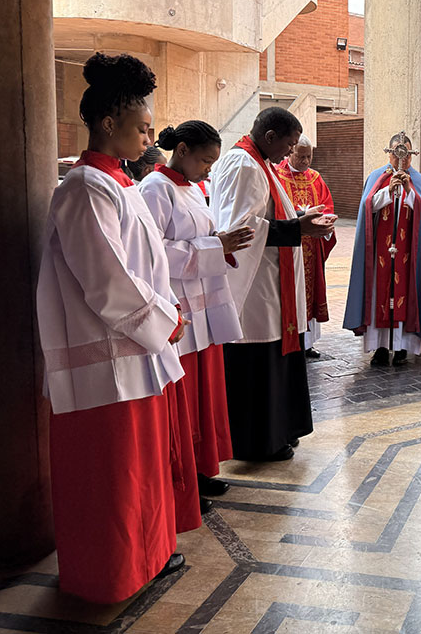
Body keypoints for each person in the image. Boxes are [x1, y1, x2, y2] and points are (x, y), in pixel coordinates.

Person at [36, 52, 186, 602]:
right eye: (142, 128)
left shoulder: (121, 184)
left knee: (140, 471)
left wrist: (167, 312)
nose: (150, 138)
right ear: (106, 123)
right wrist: (165, 322)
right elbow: (107, 279)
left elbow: (148, 264)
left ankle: (147, 558)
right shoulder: (83, 188)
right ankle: (110, 575)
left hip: (136, 351)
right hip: (106, 361)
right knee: (110, 476)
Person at [209, 107, 333, 461]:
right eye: (289, 145)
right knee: (257, 364)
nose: (290, 152)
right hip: (255, 288)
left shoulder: (258, 162)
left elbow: (267, 214)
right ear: (269, 137)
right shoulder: (244, 165)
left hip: (270, 283)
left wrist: (300, 217)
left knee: (274, 360)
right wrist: (298, 228)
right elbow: (241, 229)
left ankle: (279, 432)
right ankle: (257, 442)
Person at [141, 121, 254, 502]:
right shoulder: (155, 188)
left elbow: (200, 239)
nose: (209, 170)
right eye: (205, 161)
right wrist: (215, 246)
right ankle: (183, 482)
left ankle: (200, 471)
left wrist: (221, 244)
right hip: (180, 309)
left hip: (204, 309)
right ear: (183, 150)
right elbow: (152, 252)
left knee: (204, 399)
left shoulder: (191, 188)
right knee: (185, 402)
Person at [344, 133, 421, 366]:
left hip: (409, 255)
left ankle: (401, 348)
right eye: (397, 153)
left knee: (405, 295)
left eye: (406, 154)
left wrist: (409, 191)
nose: (401, 159)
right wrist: (387, 191)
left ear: (412, 155)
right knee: (380, 295)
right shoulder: (376, 176)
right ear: (389, 153)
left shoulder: (420, 181)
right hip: (381, 253)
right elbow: (367, 206)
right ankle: (380, 347)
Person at [274, 134, 337, 359]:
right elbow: (275, 209)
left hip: (311, 247)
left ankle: (307, 343)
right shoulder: (277, 175)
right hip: (288, 247)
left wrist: (325, 221)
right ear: (290, 152)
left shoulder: (315, 178)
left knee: (309, 292)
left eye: (309, 156)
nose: (306, 161)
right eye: (301, 156)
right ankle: (289, 340)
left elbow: (327, 205)